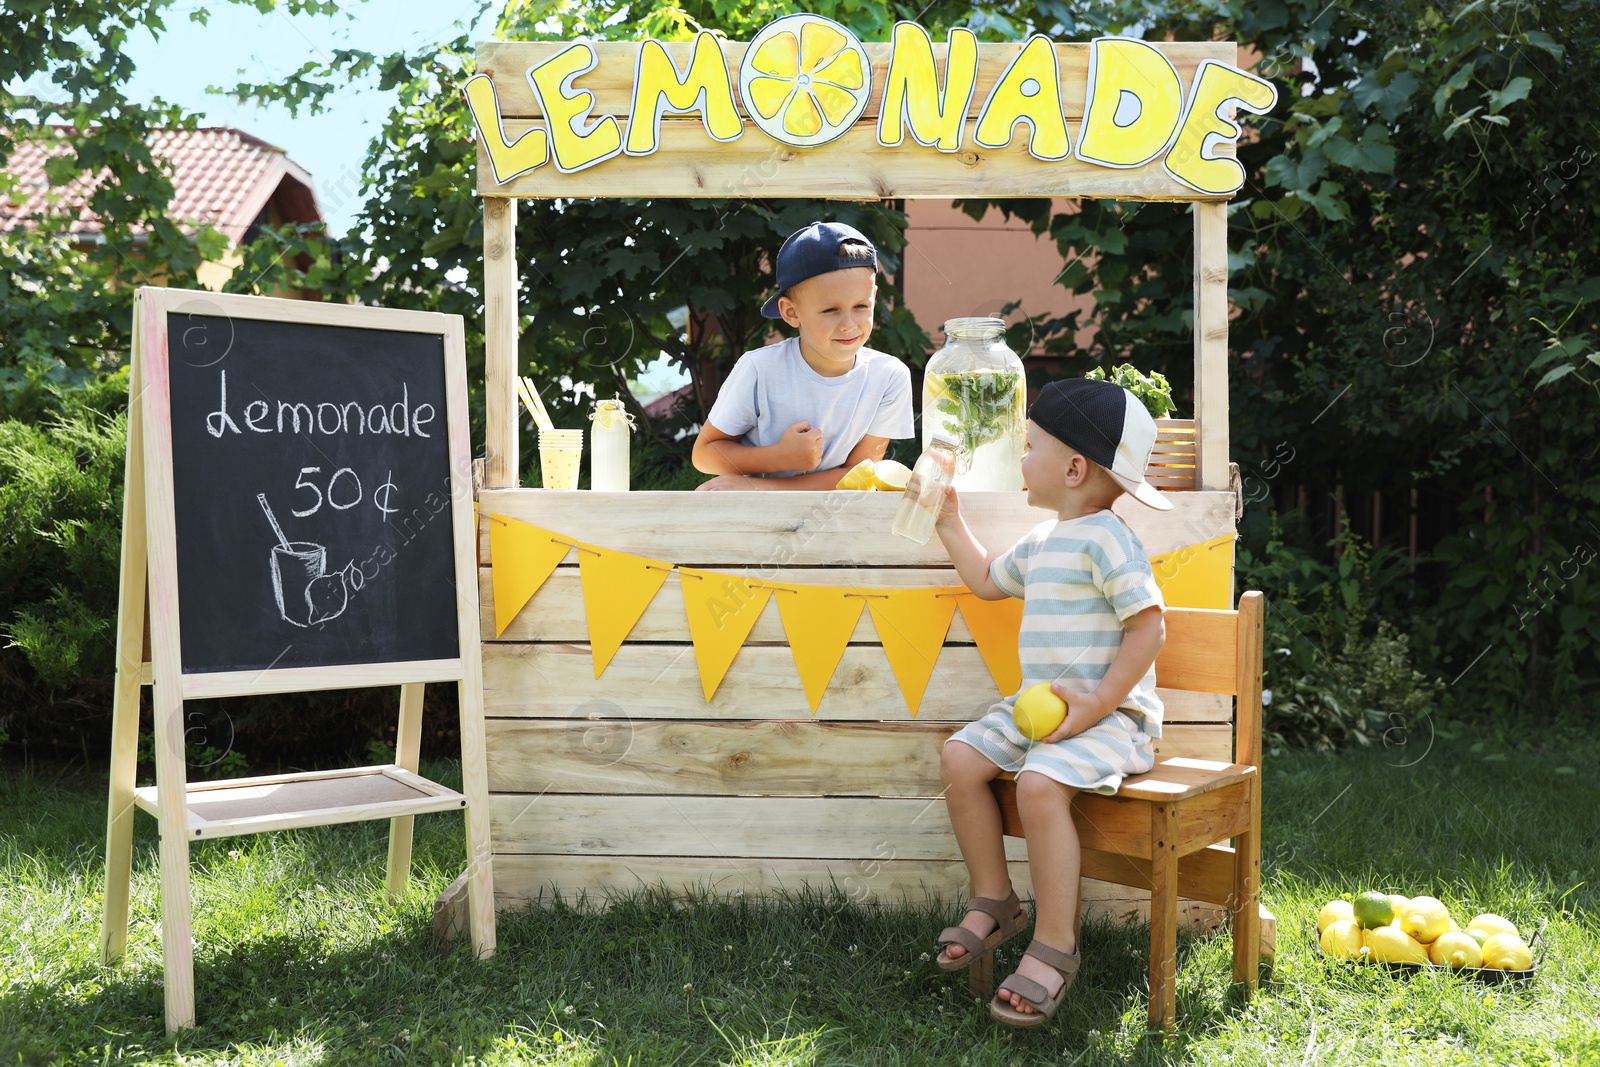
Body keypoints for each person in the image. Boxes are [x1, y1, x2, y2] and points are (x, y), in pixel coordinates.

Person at [927, 377, 1173, 1028]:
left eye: (1029, 446)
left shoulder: (1107, 540)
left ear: (1073, 467)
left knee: (1037, 785)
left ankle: (1056, 943)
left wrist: (1096, 703)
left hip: (1111, 717)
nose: (1020, 460)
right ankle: (996, 897)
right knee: (959, 758)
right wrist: (950, 519)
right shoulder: (1044, 540)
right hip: (1042, 707)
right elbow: (984, 580)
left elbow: (1150, 625)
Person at [692, 221, 914, 489]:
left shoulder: (890, 376)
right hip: (754, 521)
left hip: (838, 520)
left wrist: (764, 488)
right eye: (830, 310)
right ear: (791, 312)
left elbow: (860, 473)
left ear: (874, 299)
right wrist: (778, 457)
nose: (849, 324)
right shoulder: (759, 369)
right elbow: (704, 455)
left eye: (860, 306)